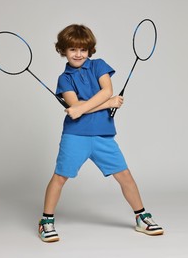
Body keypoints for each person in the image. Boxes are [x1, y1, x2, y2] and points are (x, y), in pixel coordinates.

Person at [38, 24, 163, 242]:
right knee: (59, 177)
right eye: (73, 49)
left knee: (125, 177)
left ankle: (142, 217)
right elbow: (76, 107)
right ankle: (46, 221)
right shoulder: (64, 79)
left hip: (103, 136)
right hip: (75, 136)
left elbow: (107, 91)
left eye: (83, 50)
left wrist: (85, 107)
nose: (78, 54)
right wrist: (106, 104)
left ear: (89, 50)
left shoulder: (99, 66)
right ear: (63, 50)